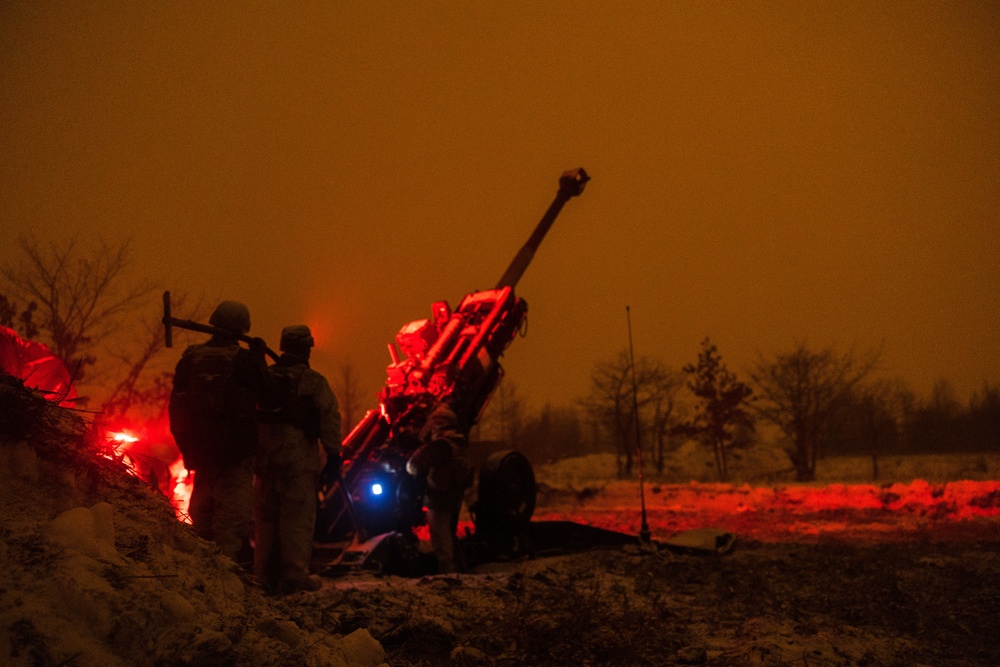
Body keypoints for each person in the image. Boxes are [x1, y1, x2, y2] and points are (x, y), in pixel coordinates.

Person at [168, 300, 269, 564]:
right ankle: (224, 583)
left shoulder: (191, 358)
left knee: (201, 518)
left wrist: (187, 448)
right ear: (241, 327)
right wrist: (259, 357)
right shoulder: (244, 360)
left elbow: (176, 406)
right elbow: (268, 394)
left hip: (201, 453)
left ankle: (199, 575)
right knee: (230, 524)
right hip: (235, 456)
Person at [254, 325, 342, 594]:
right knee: (296, 523)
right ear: (307, 347)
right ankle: (293, 578)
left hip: (264, 464)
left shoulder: (264, 378)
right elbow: (329, 417)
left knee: (265, 525)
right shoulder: (313, 381)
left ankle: (262, 580)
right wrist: (334, 455)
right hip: (298, 465)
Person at [406, 400, 474, 573]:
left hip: (439, 496)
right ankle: (459, 566)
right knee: (450, 534)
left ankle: (446, 571)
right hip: (454, 495)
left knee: (440, 537)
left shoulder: (440, 444)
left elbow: (413, 465)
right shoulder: (459, 441)